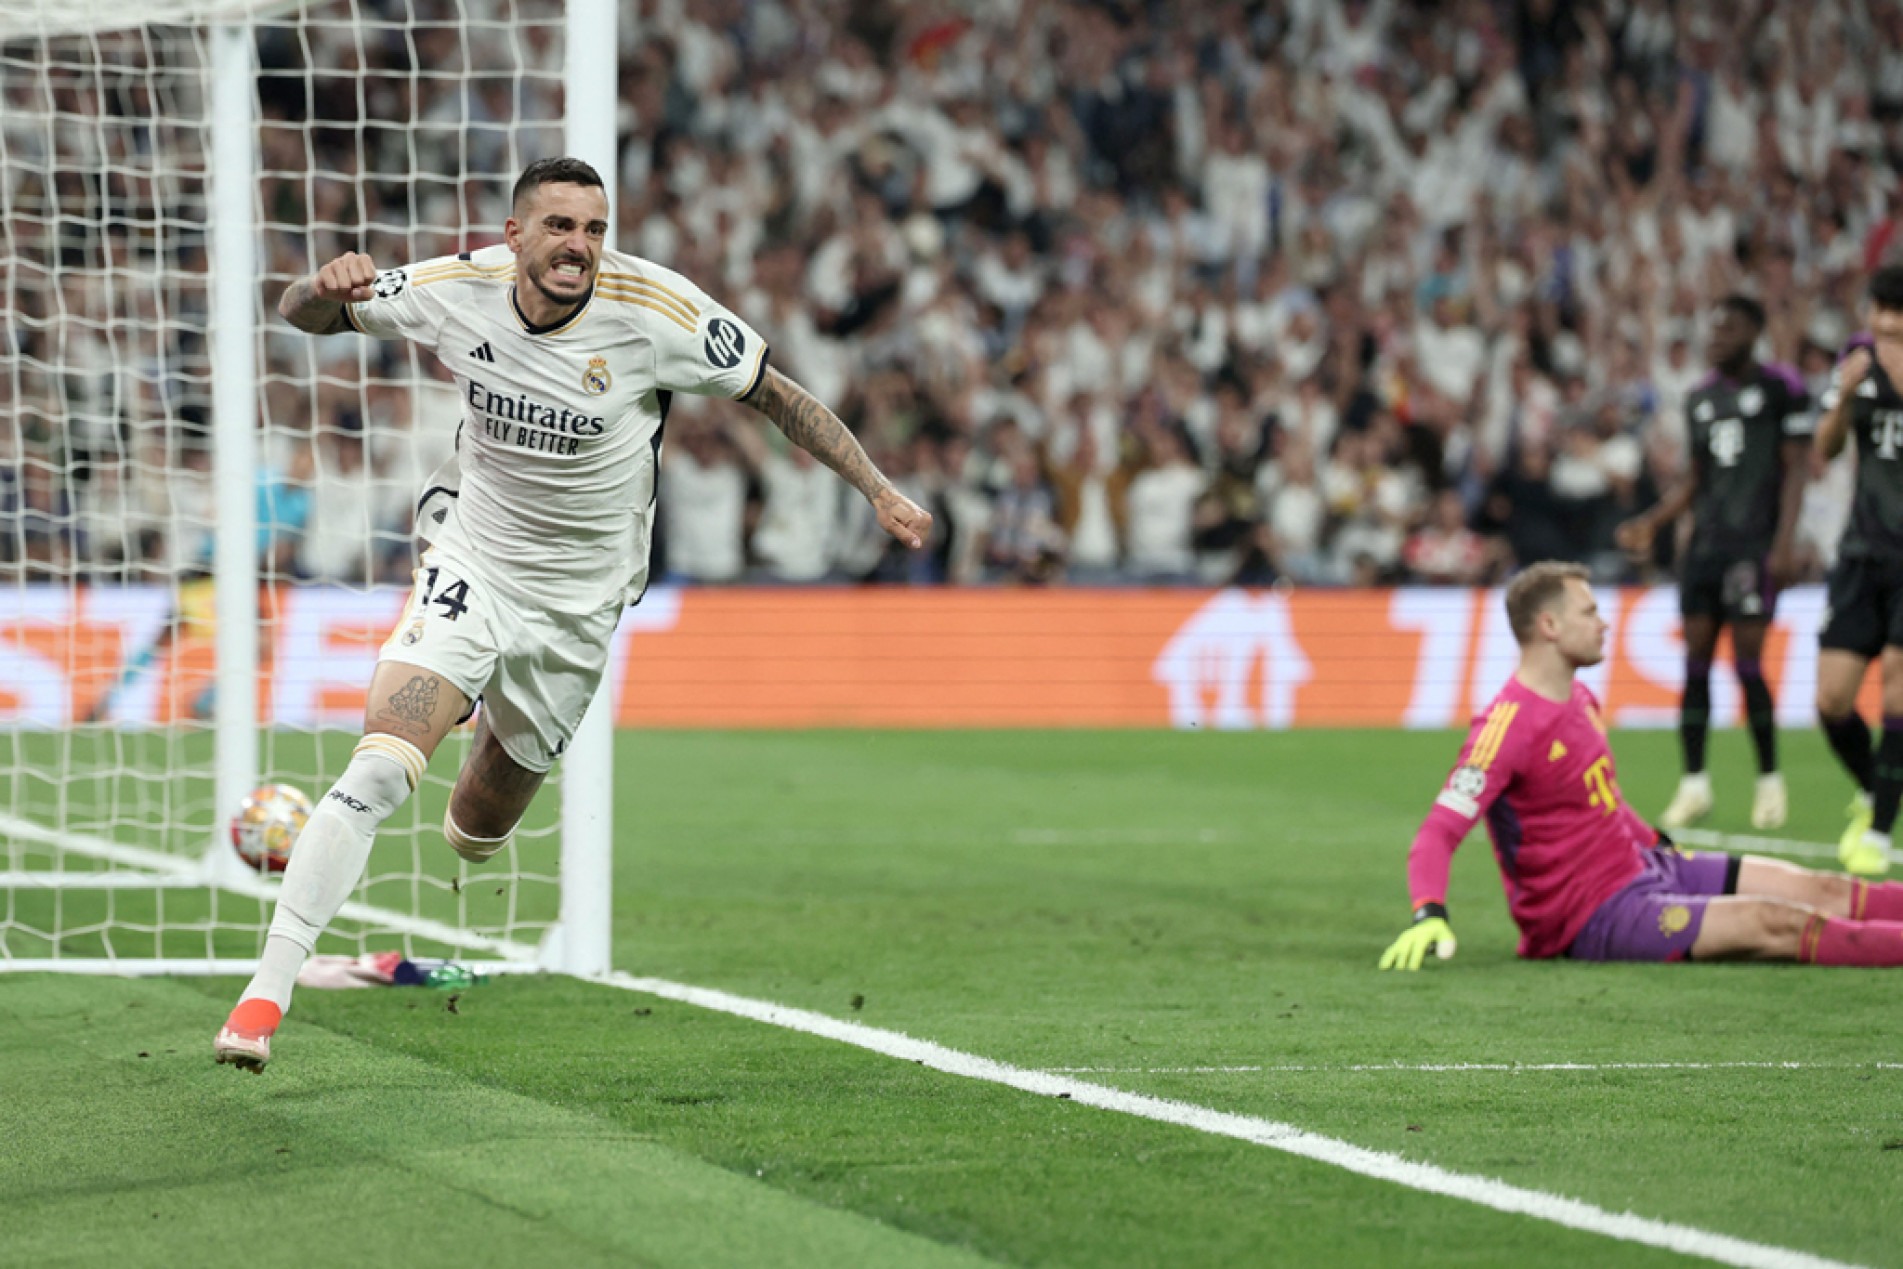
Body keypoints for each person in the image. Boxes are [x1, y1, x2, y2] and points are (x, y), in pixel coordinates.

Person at [215, 158, 932, 1071]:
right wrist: (320, 286)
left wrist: (876, 489)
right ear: (513, 235)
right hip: (473, 557)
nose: (579, 247)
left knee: (475, 833)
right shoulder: (451, 289)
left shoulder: (658, 313)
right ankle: (264, 997)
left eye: (593, 229)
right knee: (384, 763)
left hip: (579, 606)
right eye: (558, 226)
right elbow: (300, 316)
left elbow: (776, 396)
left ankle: (471, 702)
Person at [1379, 561, 1903, 971]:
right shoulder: (1505, 728)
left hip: (1643, 866)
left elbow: (1596, 799)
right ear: (1549, 625)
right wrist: (1429, 911)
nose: (1604, 622)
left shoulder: (1580, 696)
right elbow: (1438, 832)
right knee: (1777, 922)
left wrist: (1656, 842)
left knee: (1822, 888)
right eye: (1589, 611)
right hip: (1591, 914)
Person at [1614, 295, 1811, 832]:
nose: (1716, 337)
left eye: (1727, 328)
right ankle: (1694, 783)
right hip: (1704, 549)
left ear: (1753, 331)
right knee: (1695, 664)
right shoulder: (1700, 397)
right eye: (1713, 327)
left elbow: (1795, 471)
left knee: (1748, 663)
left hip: (1754, 546)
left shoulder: (1782, 389)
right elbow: (1694, 478)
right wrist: (1654, 522)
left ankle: (1769, 779)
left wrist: (1786, 542)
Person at [1813, 265, 1903, 878]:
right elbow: (1826, 449)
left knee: (1897, 682)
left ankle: (1878, 833)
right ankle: (1876, 787)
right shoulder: (1856, 361)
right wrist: (1844, 396)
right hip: (1860, 555)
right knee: (1833, 699)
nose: (1888, 324)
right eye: (1882, 311)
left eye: (1898, 314)